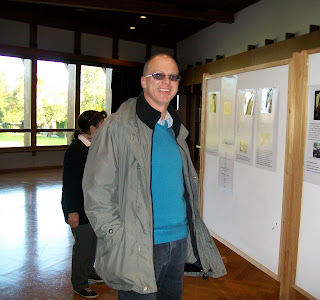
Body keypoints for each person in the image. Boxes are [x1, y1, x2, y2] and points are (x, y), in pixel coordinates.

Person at [83, 54, 227, 300]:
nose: (166, 82)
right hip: (139, 244)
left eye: (173, 77)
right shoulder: (117, 127)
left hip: (178, 241)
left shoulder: (174, 128)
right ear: (143, 81)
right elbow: (97, 192)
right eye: (158, 75)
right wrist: (116, 238)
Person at [61, 110, 107, 299]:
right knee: (83, 246)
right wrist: (72, 211)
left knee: (92, 243)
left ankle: (89, 271)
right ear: (91, 128)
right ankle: (79, 283)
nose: (103, 128)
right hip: (79, 208)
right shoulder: (76, 150)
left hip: (92, 205)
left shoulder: (91, 146)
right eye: (100, 125)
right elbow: (70, 184)